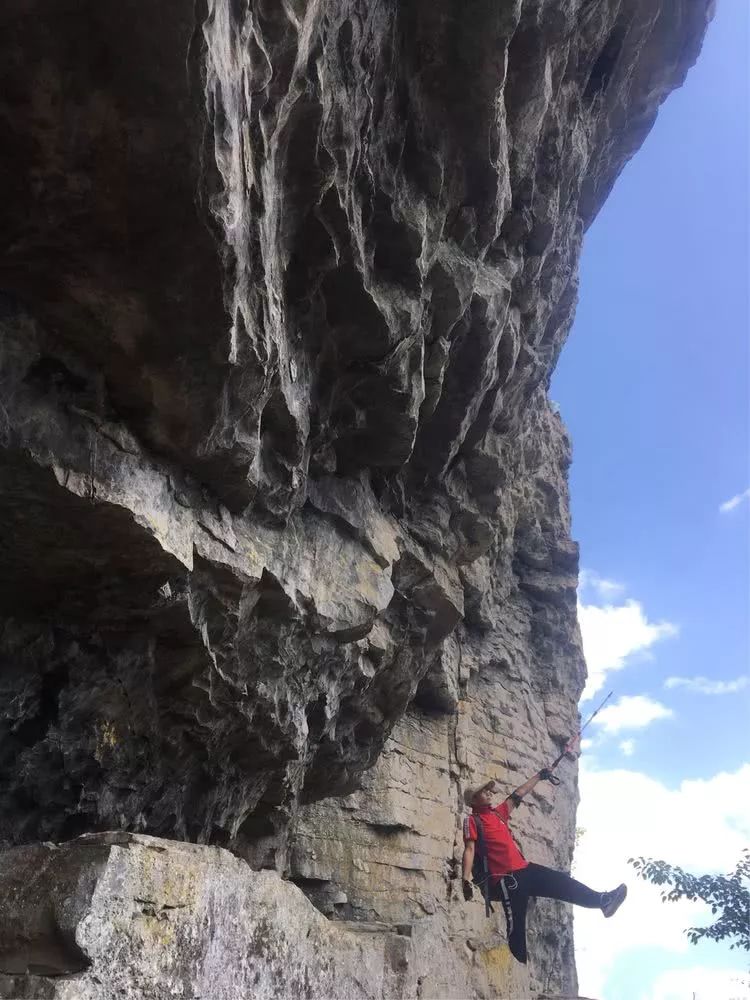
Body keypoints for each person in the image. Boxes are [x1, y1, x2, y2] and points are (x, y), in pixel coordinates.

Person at [461, 771, 627, 964]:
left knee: (562, 883)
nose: (489, 793)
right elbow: (470, 849)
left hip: (525, 869)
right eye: (483, 792)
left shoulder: (498, 813)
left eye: (489, 790)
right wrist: (465, 879)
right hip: (507, 880)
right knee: (516, 927)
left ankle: (603, 901)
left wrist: (540, 776)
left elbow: (519, 793)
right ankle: (519, 965)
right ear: (473, 800)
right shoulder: (472, 821)